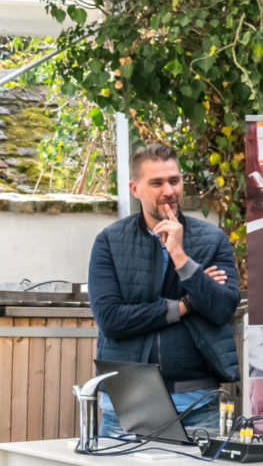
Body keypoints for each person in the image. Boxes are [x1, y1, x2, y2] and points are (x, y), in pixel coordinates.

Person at [89, 143, 240, 437]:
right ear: (135, 188)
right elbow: (111, 319)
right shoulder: (109, 241)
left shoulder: (212, 239)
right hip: (126, 402)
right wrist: (185, 305)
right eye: (156, 183)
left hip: (197, 402)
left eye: (174, 180)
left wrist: (182, 259)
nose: (168, 190)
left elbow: (223, 309)